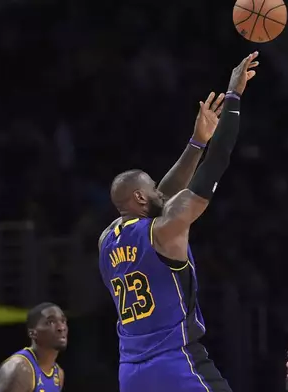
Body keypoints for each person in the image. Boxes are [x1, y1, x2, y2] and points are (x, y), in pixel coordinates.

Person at [98, 52, 259, 392]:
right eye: (150, 188)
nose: (159, 190)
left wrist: (197, 141)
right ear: (141, 199)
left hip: (130, 373)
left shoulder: (106, 240)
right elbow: (218, 162)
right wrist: (234, 96)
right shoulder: (166, 230)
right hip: (176, 364)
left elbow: (160, 196)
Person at [0, 303, 68, 392]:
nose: (61, 327)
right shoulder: (20, 369)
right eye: (50, 322)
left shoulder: (58, 374)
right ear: (32, 333)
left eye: (63, 321)